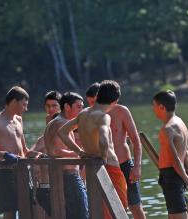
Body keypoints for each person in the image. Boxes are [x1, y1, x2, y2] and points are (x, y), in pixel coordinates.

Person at [58, 80, 128, 219]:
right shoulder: (104, 116)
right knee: (118, 209)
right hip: (108, 168)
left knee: (100, 211)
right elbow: (103, 138)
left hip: (92, 166)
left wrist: (79, 152)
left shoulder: (83, 114)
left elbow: (62, 132)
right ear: (114, 102)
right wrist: (103, 157)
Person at [0, 86, 41, 219]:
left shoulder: (18, 120)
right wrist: (3, 154)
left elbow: (25, 150)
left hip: (23, 171)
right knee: (10, 212)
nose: (26, 108)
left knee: (29, 209)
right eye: (24, 104)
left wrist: (37, 154)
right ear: (13, 102)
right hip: (6, 173)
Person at [153, 90, 188, 218]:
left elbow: (175, 160)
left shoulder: (167, 129)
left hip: (172, 175)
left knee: (178, 215)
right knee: (174, 215)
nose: (153, 109)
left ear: (162, 107)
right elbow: (186, 153)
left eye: (154, 106)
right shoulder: (180, 122)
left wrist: (186, 179)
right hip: (177, 174)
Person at [44, 91, 88, 219]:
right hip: (69, 177)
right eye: (79, 107)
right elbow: (55, 151)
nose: (82, 110)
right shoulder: (61, 123)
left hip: (62, 177)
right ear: (67, 107)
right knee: (82, 215)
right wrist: (80, 153)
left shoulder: (56, 121)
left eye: (83, 106)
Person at [108, 103, 146, 218]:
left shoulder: (121, 111)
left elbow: (136, 140)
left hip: (124, 165)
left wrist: (137, 167)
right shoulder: (92, 113)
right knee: (111, 206)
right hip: (106, 167)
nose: (93, 105)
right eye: (90, 102)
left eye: (95, 101)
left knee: (135, 205)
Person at [30, 90, 62, 218]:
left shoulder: (65, 122)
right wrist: (37, 156)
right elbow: (35, 149)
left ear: (61, 106)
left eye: (54, 105)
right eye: (48, 106)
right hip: (46, 182)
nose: (51, 109)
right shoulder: (47, 123)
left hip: (65, 179)